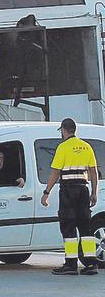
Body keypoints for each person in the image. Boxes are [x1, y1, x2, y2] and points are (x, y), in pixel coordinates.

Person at [42, 118, 99, 276]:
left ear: (63, 130)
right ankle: (91, 264)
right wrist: (94, 192)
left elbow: (55, 172)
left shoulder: (63, 147)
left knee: (68, 226)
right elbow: (93, 172)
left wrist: (46, 193)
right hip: (83, 190)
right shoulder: (86, 146)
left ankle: (71, 264)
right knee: (85, 226)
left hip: (68, 190)